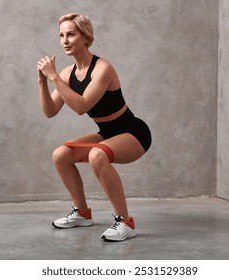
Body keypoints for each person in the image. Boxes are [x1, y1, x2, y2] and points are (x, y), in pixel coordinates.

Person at [36, 13, 151, 242]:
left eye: (71, 34)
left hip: (133, 133)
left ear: (86, 37)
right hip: (107, 133)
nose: (64, 40)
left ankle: (126, 222)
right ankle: (82, 213)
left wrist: (54, 77)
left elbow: (81, 106)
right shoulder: (68, 74)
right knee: (61, 154)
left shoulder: (102, 68)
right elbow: (50, 111)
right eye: (61, 35)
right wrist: (42, 81)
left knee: (97, 155)